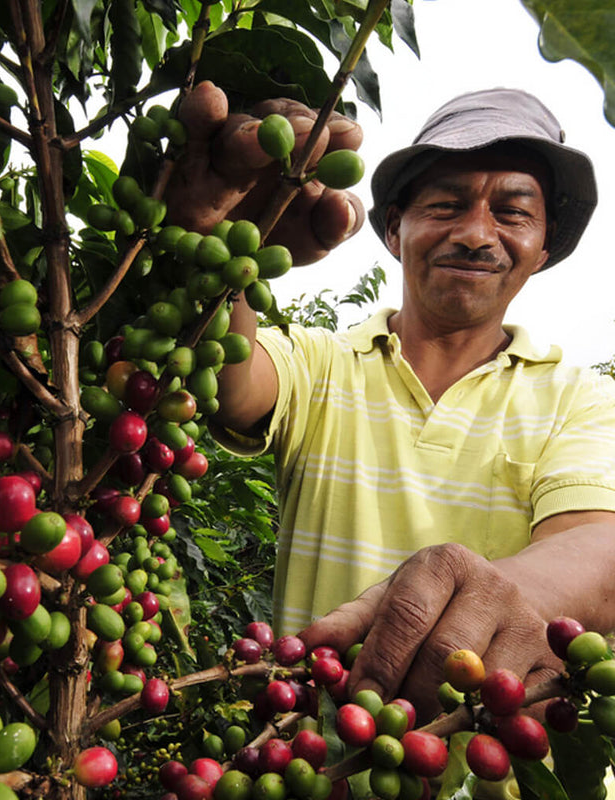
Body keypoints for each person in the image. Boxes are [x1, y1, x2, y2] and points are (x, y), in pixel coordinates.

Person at [167, 81, 615, 721]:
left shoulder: (584, 399)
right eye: (446, 205)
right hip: (310, 766)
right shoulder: (323, 365)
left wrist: (491, 590)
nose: (475, 234)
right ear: (393, 232)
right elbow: (231, 384)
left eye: (513, 212)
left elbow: (601, 550)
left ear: (542, 250)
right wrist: (228, 231)